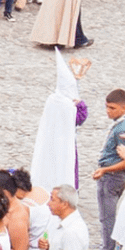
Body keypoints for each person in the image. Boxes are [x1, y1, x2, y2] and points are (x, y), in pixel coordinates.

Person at [88, 89, 125, 250]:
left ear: (124, 107)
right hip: (110, 175)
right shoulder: (121, 123)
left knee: (107, 219)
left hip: (111, 177)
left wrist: (105, 169)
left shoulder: (124, 128)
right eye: (107, 107)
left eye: (113, 108)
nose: (108, 111)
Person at [29, 49, 88, 191]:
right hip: (64, 140)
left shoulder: (52, 99)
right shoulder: (68, 106)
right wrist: (81, 105)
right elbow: (80, 119)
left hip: (49, 139)